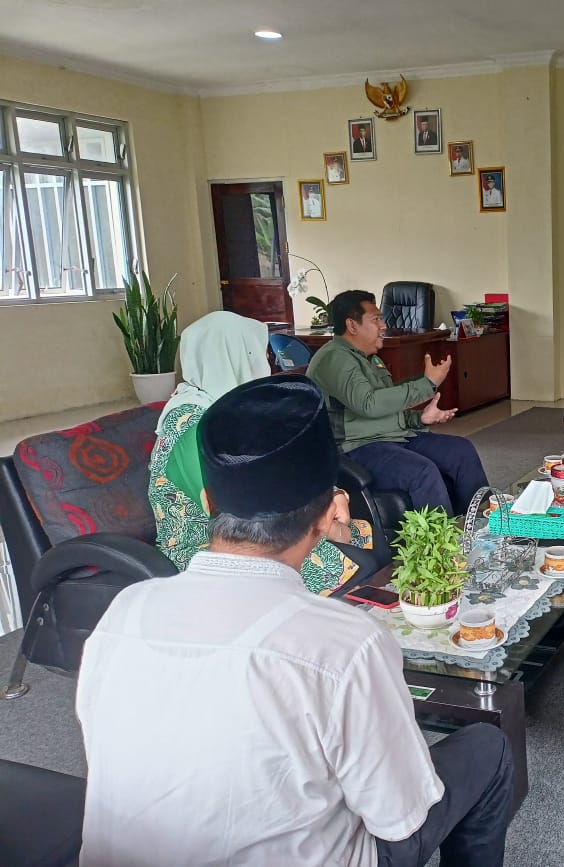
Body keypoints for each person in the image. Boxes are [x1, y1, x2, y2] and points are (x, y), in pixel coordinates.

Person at [77, 374, 514, 865]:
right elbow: (400, 815)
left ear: (207, 503)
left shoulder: (123, 613)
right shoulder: (346, 643)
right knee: (488, 749)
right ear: (328, 516)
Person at [148, 310, 375, 595]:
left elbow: (276, 469)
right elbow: (240, 503)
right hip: (211, 547)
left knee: (357, 541)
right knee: (344, 561)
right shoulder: (193, 422)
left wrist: (330, 495)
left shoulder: (225, 409)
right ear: (233, 357)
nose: (268, 363)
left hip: (258, 530)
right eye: (259, 354)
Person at [307, 290, 489, 515]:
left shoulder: (369, 359)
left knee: (461, 451)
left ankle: (483, 527)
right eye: (376, 319)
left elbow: (384, 410)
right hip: (358, 447)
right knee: (422, 472)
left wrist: (419, 418)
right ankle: (442, 548)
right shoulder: (335, 358)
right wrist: (427, 384)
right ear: (352, 326)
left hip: (392, 438)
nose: (383, 325)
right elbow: (369, 404)